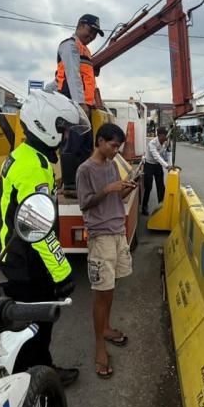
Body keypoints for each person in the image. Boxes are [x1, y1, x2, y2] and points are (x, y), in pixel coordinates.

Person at [0, 90, 90, 388]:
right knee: (37, 324)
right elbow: (38, 228)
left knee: (31, 324)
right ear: (45, 126)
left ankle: (34, 371)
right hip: (26, 260)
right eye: (63, 129)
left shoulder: (30, 156)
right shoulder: (32, 165)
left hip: (17, 255)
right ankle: (34, 381)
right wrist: (62, 271)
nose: (65, 137)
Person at [75, 123, 136, 379]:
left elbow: (115, 198)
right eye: (113, 146)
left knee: (111, 289)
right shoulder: (85, 170)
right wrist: (107, 189)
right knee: (101, 293)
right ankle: (99, 345)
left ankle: (107, 328)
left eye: (118, 147)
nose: (115, 151)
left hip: (117, 232)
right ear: (100, 141)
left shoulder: (112, 165)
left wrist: (124, 189)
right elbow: (85, 203)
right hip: (100, 237)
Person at [54, 14, 104, 190]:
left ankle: (81, 183)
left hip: (84, 105)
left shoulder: (85, 51)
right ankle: (70, 184)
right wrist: (80, 103)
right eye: (91, 31)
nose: (92, 36)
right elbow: (72, 75)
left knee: (84, 145)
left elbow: (87, 80)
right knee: (72, 142)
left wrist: (94, 102)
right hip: (73, 103)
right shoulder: (69, 46)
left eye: (95, 34)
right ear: (80, 25)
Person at [142, 125, 171, 215]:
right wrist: (167, 166)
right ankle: (144, 207)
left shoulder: (166, 142)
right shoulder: (152, 143)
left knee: (161, 187)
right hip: (149, 165)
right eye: (165, 135)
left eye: (167, 135)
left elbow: (168, 154)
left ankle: (161, 207)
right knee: (148, 187)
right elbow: (157, 157)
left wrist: (170, 164)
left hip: (157, 166)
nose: (166, 137)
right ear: (159, 135)